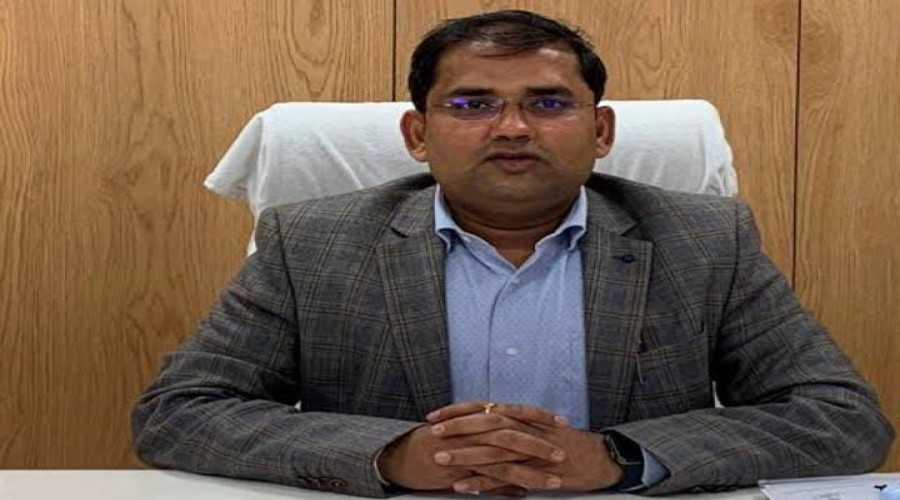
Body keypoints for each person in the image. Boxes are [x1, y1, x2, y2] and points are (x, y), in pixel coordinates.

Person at [132, 9, 894, 497]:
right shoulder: (312, 242)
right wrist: (392, 455)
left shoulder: (703, 239)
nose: (512, 129)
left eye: (548, 102)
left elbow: (841, 419)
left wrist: (620, 459)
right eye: (472, 105)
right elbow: (178, 412)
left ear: (601, 132)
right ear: (418, 135)